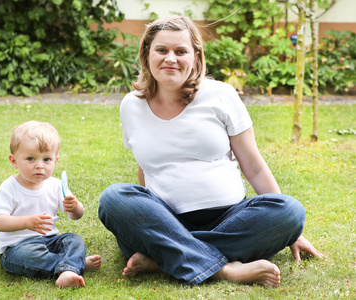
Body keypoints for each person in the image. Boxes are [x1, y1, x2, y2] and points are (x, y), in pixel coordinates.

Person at [98, 15, 323, 288]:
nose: (171, 58)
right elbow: (147, 166)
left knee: (290, 211)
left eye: (180, 51)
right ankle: (226, 270)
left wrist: (292, 233)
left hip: (231, 218)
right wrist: (147, 215)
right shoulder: (131, 106)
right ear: (147, 54)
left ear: (196, 56)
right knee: (114, 198)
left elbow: (254, 167)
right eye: (161, 50)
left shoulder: (221, 95)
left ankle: (164, 257)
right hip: (167, 219)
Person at [0, 121, 101, 288]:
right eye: (30, 159)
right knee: (30, 256)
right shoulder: (9, 187)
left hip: (51, 241)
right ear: (14, 161)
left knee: (74, 240)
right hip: (18, 247)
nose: (39, 165)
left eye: (47, 159)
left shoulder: (55, 185)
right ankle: (73, 265)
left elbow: (76, 216)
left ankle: (68, 266)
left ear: (55, 160)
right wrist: (27, 222)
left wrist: (75, 206)